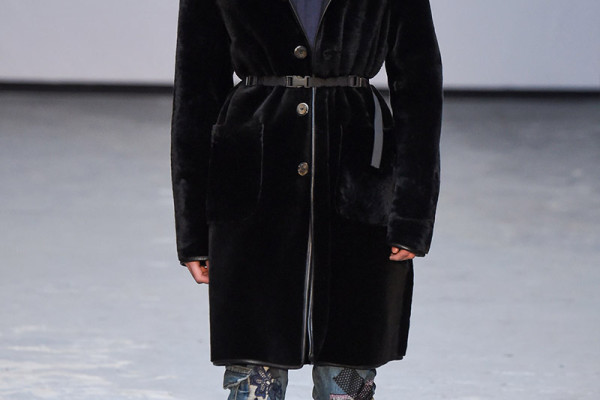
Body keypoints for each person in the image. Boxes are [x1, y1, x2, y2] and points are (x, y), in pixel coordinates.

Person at [170, 0, 442, 398]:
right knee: (253, 371)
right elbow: (196, 89)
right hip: (254, 180)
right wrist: (193, 231)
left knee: (349, 372)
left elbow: (419, 86)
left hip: (359, 177)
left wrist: (413, 215)